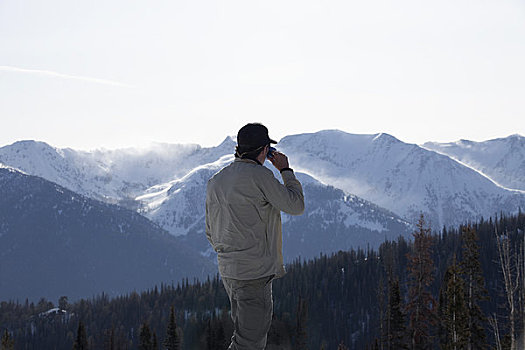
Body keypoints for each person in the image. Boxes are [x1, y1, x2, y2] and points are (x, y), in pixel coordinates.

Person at [205, 123, 305, 349]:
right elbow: (296, 205)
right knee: (250, 342)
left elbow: (210, 231)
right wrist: (285, 171)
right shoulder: (260, 176)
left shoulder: (216, 181)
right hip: (254, 273)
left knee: (243, 336)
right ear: (263, 150)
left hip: (229, 271)